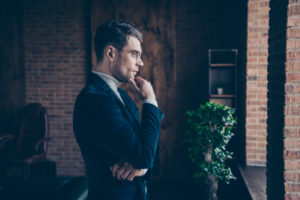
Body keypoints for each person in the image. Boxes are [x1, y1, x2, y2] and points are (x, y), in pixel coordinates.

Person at [73, 19, 164, 200]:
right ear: (110, 53)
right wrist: (150, 100)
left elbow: (146, 154)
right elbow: (145, 155)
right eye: (135, 54)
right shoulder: (95, 99)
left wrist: (142, 168)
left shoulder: (123, 98)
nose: (141, 63)